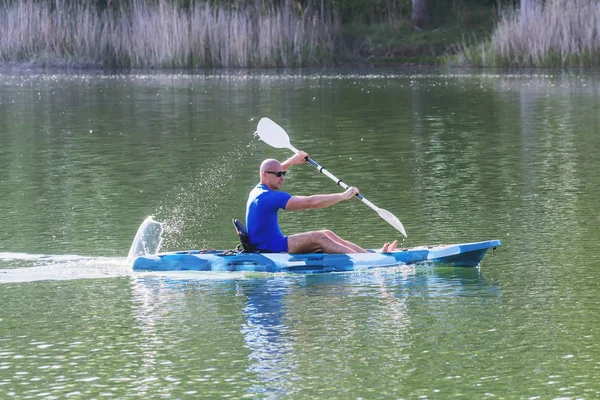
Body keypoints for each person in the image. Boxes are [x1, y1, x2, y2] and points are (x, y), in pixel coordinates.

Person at [245, 151, 398, 254]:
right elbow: (311, 202)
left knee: (327, 233)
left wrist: (291, 162)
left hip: (270, 243)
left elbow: (273, 170)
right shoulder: (269, 197)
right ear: (265, 176)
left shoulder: (257, 190)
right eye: (279, 174)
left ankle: (366, 254)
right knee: (319, 237)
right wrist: (342, 196)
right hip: (268, 248)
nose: (283, 177)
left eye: (283, 173)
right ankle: (370, 260)